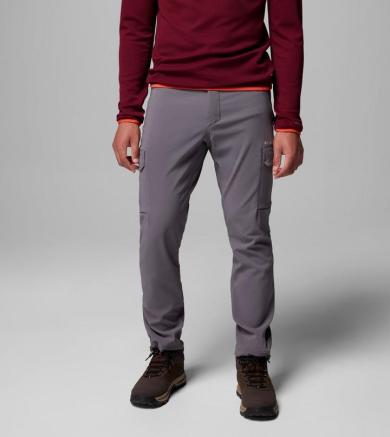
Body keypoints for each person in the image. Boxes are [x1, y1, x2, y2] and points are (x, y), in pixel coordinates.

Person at [112, 0, 304, 420]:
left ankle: (252, 359)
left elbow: (287, 29)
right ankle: (166, 351)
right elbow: (136, 23)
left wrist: (288, 120)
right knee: (157, 228)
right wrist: (129, 112)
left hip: (247, 99)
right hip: (171, 97)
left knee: (250, 233)